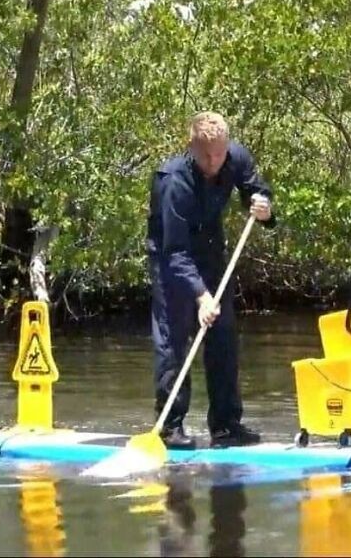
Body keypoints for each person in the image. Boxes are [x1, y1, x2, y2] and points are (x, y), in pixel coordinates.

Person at [147, 111, 275, 450]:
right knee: (174, 340)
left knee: (223, 338)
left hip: (212, 256)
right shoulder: (173, 181)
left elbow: (258, 192)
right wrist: (201, 296)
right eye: (206, 155)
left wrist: (264, 207)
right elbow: (175, 252)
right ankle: (169, 427)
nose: (214, 162)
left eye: (219, 153)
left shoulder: (236, 158)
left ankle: (226, 426)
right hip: (170, 259)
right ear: (192, 147)